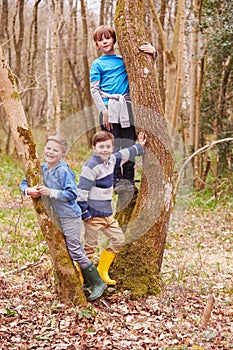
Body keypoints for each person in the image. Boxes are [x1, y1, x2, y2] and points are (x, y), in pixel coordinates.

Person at [20, 135, 106, 301]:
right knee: (68, 249)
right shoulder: (42, 168)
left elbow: (72, 193)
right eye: (49, 148)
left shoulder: (63, 171)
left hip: (70, 216)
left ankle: (98, 282)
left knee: (74, 249)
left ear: (62, 155)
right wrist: (28, 190)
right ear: (44, 149)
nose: (50, 152)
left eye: (55, 150)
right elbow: (24, 182)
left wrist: (51, 192)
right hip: (57, 216)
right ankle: (87, 281)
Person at [90, 24, 156, 193]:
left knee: (128, 143)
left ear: (114, 39)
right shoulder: (97, 64)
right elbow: (94, 89)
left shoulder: (123, 60)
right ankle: (115, 179)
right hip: (108, 108)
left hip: (126, 107)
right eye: (100, 40)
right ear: (96, 44)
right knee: (111, 145)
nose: (105, 42)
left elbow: (142, 70)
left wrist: (153, 54)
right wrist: (103, 110)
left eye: (107, 38)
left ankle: (128, 180)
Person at [77, 130, 146, 285]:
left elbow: (126, 153)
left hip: (108, 214)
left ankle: (102, 270)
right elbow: (81, 192)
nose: (105, 150)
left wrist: (140, 146)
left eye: (108, 146)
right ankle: (83, 277)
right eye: (101, 146)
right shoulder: (90, 167)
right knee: (89, 247)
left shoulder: (112, 160)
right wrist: (85, 212)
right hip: (93, 215)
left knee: (118, 239)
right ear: (94, 148)